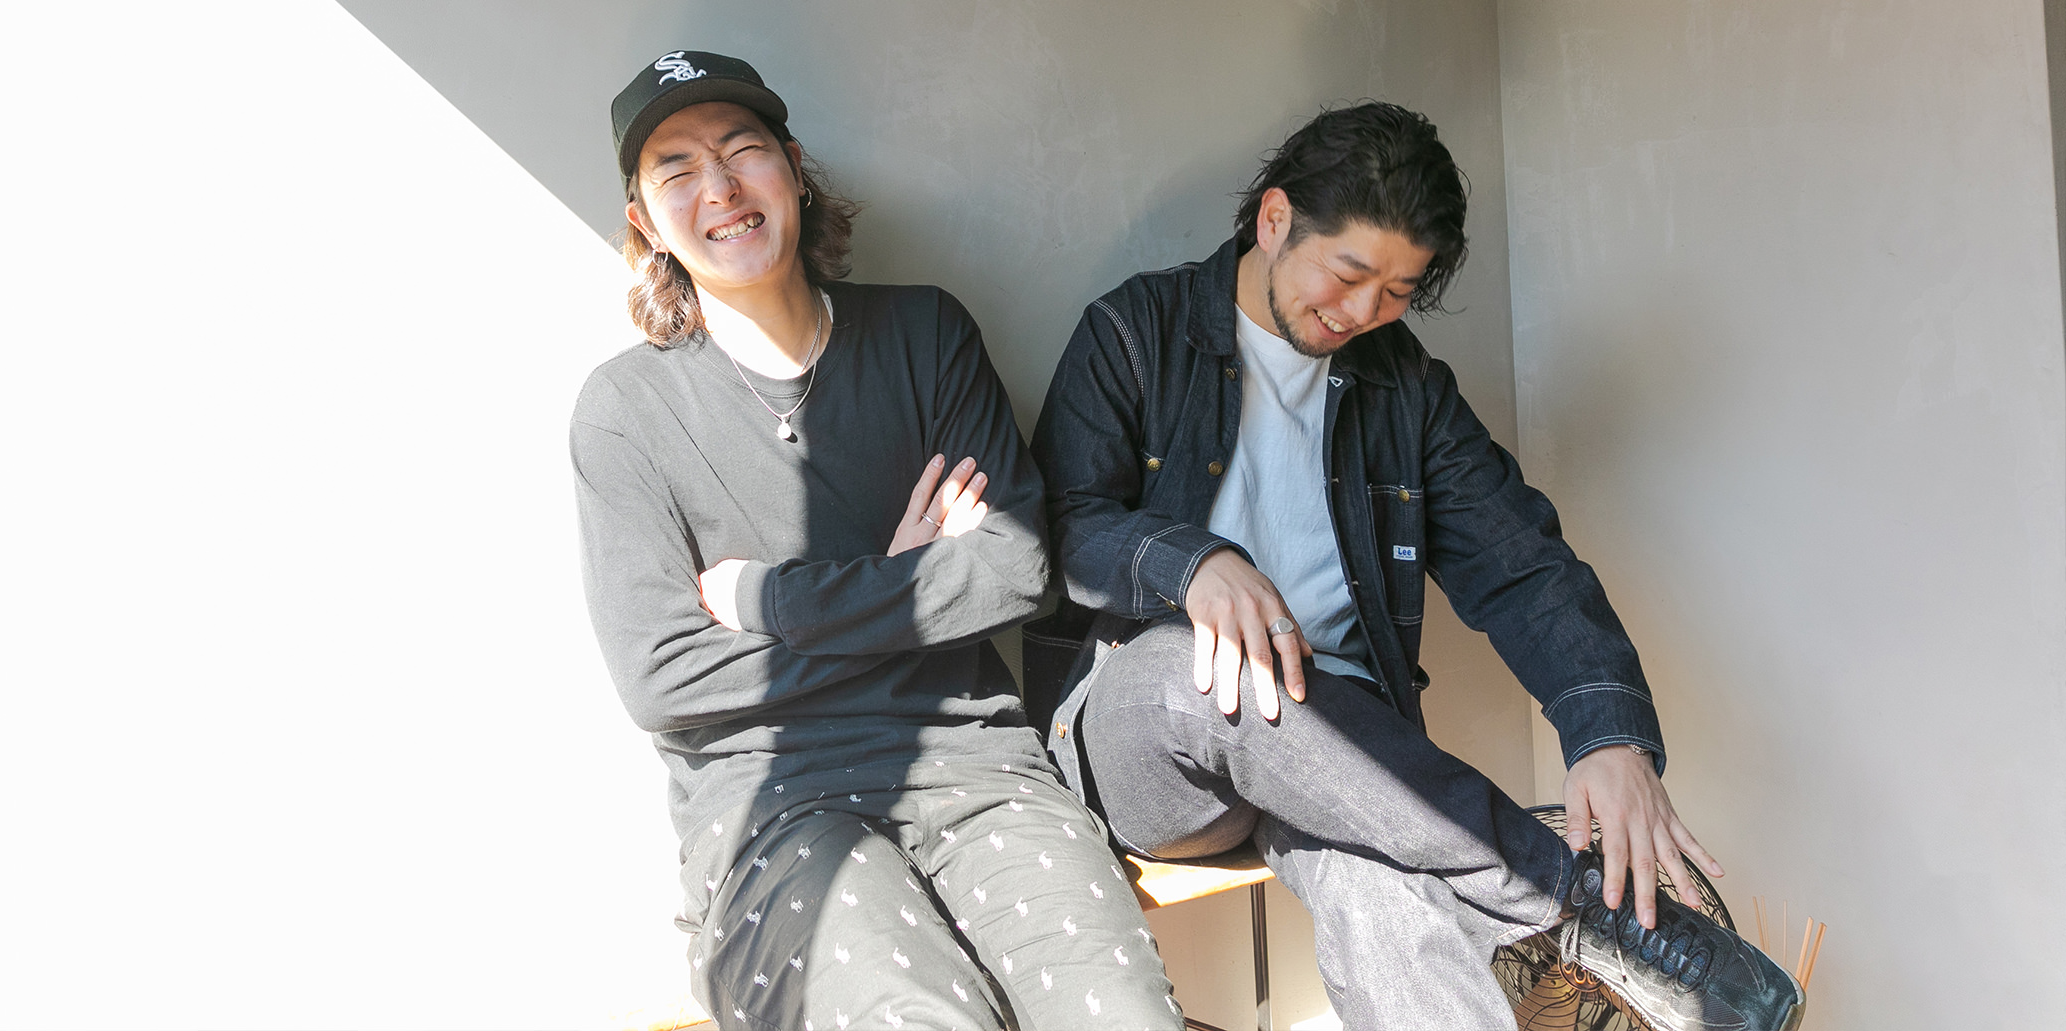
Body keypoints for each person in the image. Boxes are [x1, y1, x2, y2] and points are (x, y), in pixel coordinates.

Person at [1025, 102, 1804, 1031]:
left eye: (1397, 292)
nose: (1362, 314)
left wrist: (1609, 736)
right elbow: (1060, 532)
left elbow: (1521, 564)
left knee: (1385, 892)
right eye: (1350, 274)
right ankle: (1572, 903)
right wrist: (1192, 565)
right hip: (1153, 739)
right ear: (1275, 220)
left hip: (1341, 753)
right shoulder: (1134, 333)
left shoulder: (1406, 388)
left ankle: (1571, 915)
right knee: (1195, 669)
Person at [572, 50, 1183, 1031]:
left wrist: (782, 600)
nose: (719, 189)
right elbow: (662, 675)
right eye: (677, 169)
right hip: (769, 805)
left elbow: (1015, 568)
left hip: (977, 767)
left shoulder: (924, 334)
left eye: (741, 150)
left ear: (793, 168)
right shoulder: (624, 409)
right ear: (644, 220)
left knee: (1121, 1015)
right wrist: (907, 585)